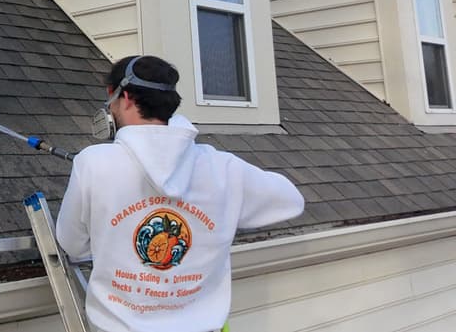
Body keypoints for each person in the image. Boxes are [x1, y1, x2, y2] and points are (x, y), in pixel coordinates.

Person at [56, 55, 304, 332]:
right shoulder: (223, 168)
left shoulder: (92, 163)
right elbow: (291, 200)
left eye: (110, 98)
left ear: (124, 97)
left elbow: (73, 244)